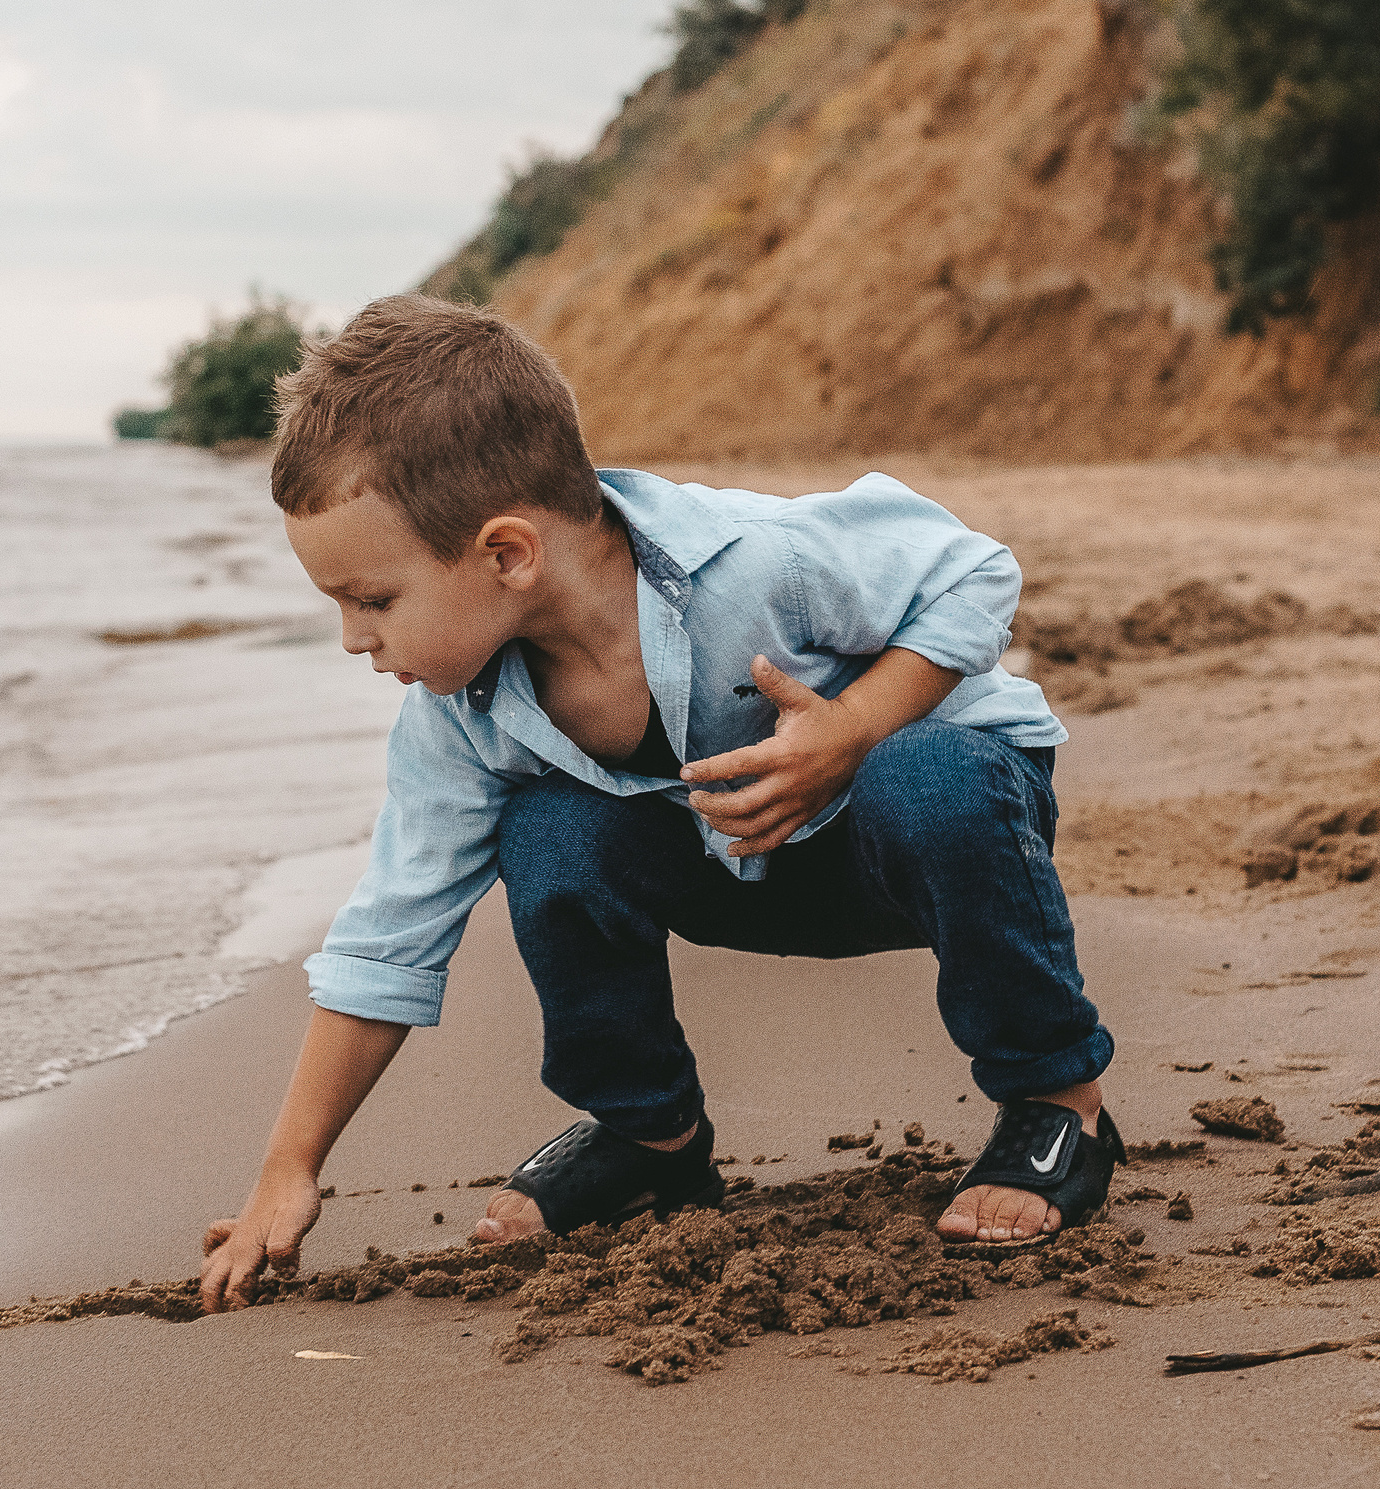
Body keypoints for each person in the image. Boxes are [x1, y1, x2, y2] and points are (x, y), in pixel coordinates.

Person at [198, 294, 1120, 1314]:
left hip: (916, 849)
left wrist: (850, 728)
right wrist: (289, 1163)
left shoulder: (754, 562)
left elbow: (976, 574)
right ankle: (652, 1142)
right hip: (732, 868)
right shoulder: (464, 716)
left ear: (505, 554)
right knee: (548, 831)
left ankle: (1056, 1101)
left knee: (932, 776)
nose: (353, 639)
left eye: (372, 601)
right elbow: (390, 930)